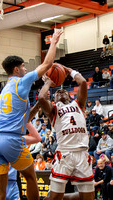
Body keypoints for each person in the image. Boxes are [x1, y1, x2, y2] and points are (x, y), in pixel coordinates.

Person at [0, 30, 63, 200]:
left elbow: (24, 120)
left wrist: (38, 104)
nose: (25, 68)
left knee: (0, 192)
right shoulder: (21, 81)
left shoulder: (4, 91)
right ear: (16, 69)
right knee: (30, 178)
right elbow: (47, 64)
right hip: (11, 140)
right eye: (23, 66)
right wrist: (54, 41)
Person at [38, 67, 94, 200]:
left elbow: (83, 83)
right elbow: (41, 97)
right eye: (57, 92)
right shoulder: (53, 110)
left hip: (82, 153)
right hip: (64, 154)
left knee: (88, 198)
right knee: (55, 196)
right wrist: (48, 83)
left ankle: (63, 197)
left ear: (69, 96)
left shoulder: (79, 103)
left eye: (64, 91)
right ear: (54, 99)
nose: (61, 92)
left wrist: (69, 70)